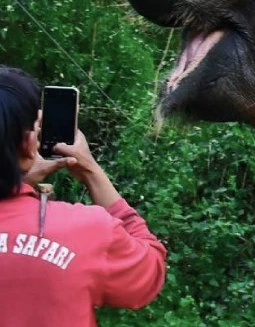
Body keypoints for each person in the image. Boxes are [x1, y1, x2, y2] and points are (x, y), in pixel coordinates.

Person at [0, 66, 166, 325]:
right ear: (29, 143)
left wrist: (15, 180)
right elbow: (150, 271)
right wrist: (90, 171)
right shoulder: (86, 230)